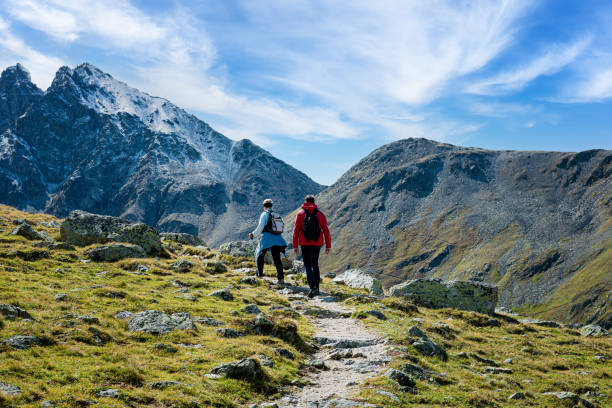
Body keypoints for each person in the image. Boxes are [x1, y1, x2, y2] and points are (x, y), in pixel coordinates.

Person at [292, 195, 331, 298]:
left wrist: (295, 245)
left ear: (305, 202)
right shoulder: (320, 214)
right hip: (317, 243)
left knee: (308, 266)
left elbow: (296, 230)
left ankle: (312, 288)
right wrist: (328, 245)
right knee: (315, 264)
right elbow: (326, 230)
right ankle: (317, 287)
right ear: (314, 202)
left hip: (305, 243)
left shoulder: (300, 214)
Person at [249, 198, 287, 285]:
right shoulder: (276, 214)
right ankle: (281, 279)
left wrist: (253, 234)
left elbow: (261, 226)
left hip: (267, 238)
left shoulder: (264, 214)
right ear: (271, 205)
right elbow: (282, 227)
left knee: (259, 254)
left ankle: (260, 275)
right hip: (278, 238)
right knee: (277, 258)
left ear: (264, 206)